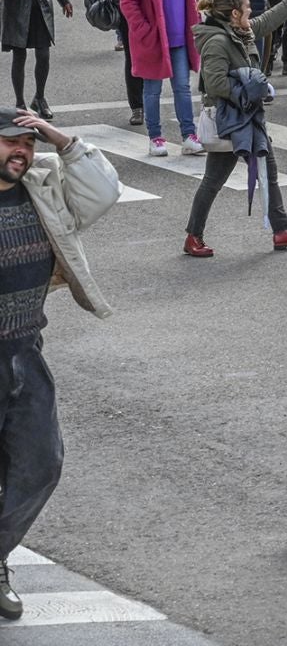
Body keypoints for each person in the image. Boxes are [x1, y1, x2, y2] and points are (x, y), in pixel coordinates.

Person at [0, 110, 120, 619]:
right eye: (10, 143)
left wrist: (62, 139)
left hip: (25, 350)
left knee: (41, 462)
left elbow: (102, 193)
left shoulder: (42, 188)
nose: (21, 151)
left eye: (27, 142)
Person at [184, 0, 287, 256]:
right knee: (223, 177)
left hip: (243, 116)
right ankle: (279, 231)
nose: (250, 12)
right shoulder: (218, 41)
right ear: (233, 14)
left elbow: (267, 20)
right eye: (246, 8)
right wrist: (250, 91)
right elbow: (215, 84)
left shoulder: (240, 32)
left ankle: (280, 231)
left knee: (254, 171)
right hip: (231, 118)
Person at [119, 0, 202, 156]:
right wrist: (144, 29)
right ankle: (155, 137)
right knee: (152, 89)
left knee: (183, 88)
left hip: (180, 37)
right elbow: (127, 1)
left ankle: (189, 135)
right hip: (155, 38)